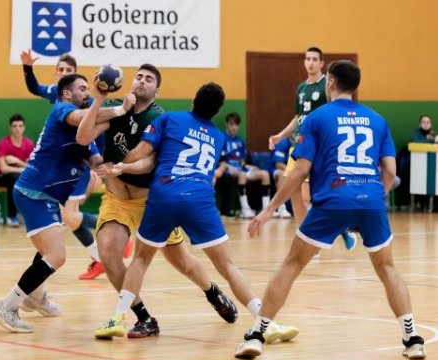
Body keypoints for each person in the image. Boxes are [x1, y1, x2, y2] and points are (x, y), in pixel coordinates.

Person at [234, 60, 426, 360]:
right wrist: (376, 195)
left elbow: (299, 171)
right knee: (387, 269)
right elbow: (389, 169)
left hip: (333, 200)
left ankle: (257, 335)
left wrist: (269, 209)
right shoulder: (378, 120)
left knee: (291, 264)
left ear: (330, 82)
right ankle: (412, 338)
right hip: (371, 201)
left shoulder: (316, 118)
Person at [91, 82, 298, 344]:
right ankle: (265, 322)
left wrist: (119, 165)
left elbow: (143, 155)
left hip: (165, 194)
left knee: (141, 260)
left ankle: (117, 318)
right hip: (199, 199)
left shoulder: (169, 118)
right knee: (227, 265)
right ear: (216, 111)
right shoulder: (218, 136)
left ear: (193, 100)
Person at [77, 65, 253, 339]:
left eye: (149, 80)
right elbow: (83, 136)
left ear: (156, 91)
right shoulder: (116, 106)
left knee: (180, 260)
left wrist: (120, 166)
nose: (142, 81)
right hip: (116, 199)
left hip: (150, 200)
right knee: (109, 253)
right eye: (138, 77)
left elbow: (151, 162)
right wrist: (100, 99)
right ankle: (143, 317)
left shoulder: (159, 117)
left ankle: (211, 290)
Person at [0, 73, 128, 332]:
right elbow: (81, 118)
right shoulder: (63, 109)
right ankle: (6, 307)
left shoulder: (87, 131)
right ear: (66, 94)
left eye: (89, 89)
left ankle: (35, 296)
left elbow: (95, 160)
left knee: (46, 250)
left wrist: (109, 169)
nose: (87, 92)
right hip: (34, 192)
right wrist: (117, 107)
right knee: (56, 255)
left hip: (47, 195)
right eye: (82, 89)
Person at [19, 49, 130, 279]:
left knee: (70, 217)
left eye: (69, 71)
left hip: (83, 158)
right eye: (60, 70)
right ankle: (101, 254)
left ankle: (111, 242)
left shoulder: (85, 99)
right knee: (66, 219)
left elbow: (92, 126)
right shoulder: (58, 95)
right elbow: (34, 88)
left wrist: (96, 160)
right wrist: (28, 68)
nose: (63, 73)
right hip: (65, 159)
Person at [268, 47, 356, 251]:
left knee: (310, 195)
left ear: (322, 63)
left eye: (315, 59)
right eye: (307, 59)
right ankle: (306, 241)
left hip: (317, 146)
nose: (310, 62)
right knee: (294, 192)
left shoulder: (328, 87)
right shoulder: (301, 88)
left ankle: (341, 228)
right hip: (297, 145)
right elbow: (298, 118)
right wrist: (281, 135)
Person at [215, 112, 272, 219]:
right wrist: (229, 167)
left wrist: (248, 166)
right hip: (228, 169)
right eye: (231, 124)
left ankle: (266, 209)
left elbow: (242, 161)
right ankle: (245, 209)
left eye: (236, 124)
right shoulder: (222, 138)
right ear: (227, 124)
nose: (234, 127)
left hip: (241, 169)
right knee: (242, 175)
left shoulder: (241, 141)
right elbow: (221, 161)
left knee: (265, 174)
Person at [0, 114, 35, 227]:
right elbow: (3, 168)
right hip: (2, 177)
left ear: (24, 128)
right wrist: (22, 169)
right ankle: (12, 216)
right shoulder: (3, 144)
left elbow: (31, 166)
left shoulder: (29, 144)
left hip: (22, 175)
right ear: (10, 128)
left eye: (20, 126)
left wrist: (18, 161)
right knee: (14, 179)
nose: (17, 129)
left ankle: (30, 215)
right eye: (15, 126)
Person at [268, 137, 293, 218]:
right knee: (282, 174)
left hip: (289, 171)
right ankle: (281, 207)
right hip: (274, 170)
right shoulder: (283, 143)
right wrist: (294, 173)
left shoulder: (300, 144)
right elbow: (278, 164)